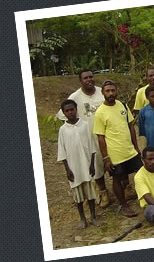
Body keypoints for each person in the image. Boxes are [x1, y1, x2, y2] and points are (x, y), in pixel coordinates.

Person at [55, 69, 110, 208]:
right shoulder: (74, 97)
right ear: (80, 81)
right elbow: (64, 118)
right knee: (97, 167)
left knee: (115, 163)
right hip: (91, 139)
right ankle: (103, 192)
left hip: (109, 136)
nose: (89, 80)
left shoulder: (102, 92)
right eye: (85, 78)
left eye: (91, 77)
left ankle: (124, 187)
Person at [94, 80, 142, 218]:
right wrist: (106, 158)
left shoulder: (122, 105)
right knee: (117, 179)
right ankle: (124, 206)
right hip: (115, 154)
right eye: (107, 91)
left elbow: (131, 127)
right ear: (103, 93)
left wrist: (136, 147)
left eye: (112, 90)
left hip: (129, 150)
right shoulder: (100, 113)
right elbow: (100, 138)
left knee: (141, 173)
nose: (110, 93)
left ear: (116, 92)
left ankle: (147, 198)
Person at [57, 99, 99, 229]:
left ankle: (93, 216)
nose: (70, 112)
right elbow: (62, 151)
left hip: (86, 164)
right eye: (67, 111)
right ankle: (82, 219)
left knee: (90, 193)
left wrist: (92, 164)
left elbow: (92, 146)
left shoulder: (85, 125)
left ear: (76, 109)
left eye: (72, 109)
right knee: (78, 196)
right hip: (74, 167)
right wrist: (67, 170)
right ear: (64, 113)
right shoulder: (63, 130)